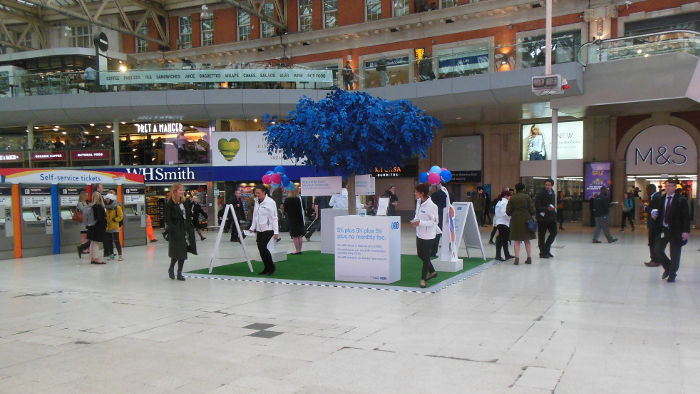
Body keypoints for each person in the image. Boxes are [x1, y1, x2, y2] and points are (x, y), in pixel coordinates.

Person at [650, 180, 690, 283]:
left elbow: (686, 217)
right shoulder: (662, 199)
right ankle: (668, 267)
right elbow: (657, 210)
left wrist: (686, 231)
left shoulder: (681, 200)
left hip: (677, 231)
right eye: (666, 186)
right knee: (657, 250)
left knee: (675, 253)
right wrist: (653, 213)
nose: (667, 188)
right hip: (664, 229)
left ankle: (672, 274)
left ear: (674, 187)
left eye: (669, 186)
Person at [165, 183, 197, 281]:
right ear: (175, 191)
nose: (182, 192)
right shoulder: (170, 203)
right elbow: (167, 219)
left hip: (185, 229)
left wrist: (189, 226)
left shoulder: (185, 202)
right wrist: (174, 229)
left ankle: (179, 273)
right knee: (177, 252)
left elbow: (187, 216)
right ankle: (171, 268)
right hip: (175, 230)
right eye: (180, 190)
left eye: (182, 190)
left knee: (183, 251)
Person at [412, 184, 439, 288]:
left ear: (422, 193)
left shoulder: (432, 206)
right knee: (420, 255)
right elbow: (417, 214)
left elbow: (434, 222)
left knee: (426, 257)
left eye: (416, 191)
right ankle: (432, 271)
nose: (415, 193)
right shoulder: (419, 202)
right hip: (419, 233)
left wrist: (420, 223)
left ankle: (423, 279)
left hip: (429, 235)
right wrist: (415, 221)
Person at [250, 185, 279, 275]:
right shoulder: (256, 202)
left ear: (264, 192)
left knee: (263, 247)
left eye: (258, 193)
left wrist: (276, 231)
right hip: (259, 229)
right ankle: (266, 267)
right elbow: (255, 216)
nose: (257, 195)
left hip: (268, 228)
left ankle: (272, 267)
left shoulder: (270, 202)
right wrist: (252, 228)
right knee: (260, 248)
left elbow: (274, 218)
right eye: (256, 193)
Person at [506, 183, 535, 265]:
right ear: (524, 189)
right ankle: (529, 258)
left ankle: (517, 259)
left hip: (516, 220)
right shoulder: (527, 197)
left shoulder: (512, 198)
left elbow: (508, 212)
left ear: (515, 189)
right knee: (527, 240)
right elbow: (533, 210)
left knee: (516, 240)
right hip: (527, 219)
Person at [429, 184, 455, 257]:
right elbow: (453, 205)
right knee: (448, 235)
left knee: (436, 234)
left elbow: (431, 206)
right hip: (448, 217)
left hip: (438, 216)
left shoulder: (434, 195)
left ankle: (433, 252)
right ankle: (449, 251)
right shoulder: (451, 195)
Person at [535, 179, 558, 258]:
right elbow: (537, 206)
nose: (547, 186)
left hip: (551, 217)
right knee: (541, 235)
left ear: (552, 185)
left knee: (554, 232)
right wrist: (546, 209)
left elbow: (553, 203)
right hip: (542, 218)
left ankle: (546, 249)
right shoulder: (540, 193)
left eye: (549, 185)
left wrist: (552, 209)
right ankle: (542, 252)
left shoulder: (553, 193)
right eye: (546, 185)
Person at [643, 184, 662, 267]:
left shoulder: (656, 197)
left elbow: (655, 211)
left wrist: (646, 208)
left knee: (653, 242)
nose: (647, 192)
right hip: (653, 224)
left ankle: (655, 260)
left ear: (651, 189)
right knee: (652, 242)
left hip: (654, 225)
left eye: (647, 190)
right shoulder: (654, 197)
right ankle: (654, 259)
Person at [87, 191, 107, 264]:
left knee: (92, 242)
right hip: (98, 227)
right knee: (96, 243)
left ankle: (92, 258)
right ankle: (96, 258)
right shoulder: (99, 206)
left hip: (91, 226)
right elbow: (100, 218)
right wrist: (104, 225)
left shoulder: (91, 206)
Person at [283, 188, 305, 255]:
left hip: (292, 219)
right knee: (300, 235)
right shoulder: (298, 199)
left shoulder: (287, 200)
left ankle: (297, 250)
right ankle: (300, 249)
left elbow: (285, 209)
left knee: (295, 235)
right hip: (300, 218)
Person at [493, 191, 513, 261]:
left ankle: (506, 254)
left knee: (504, 239)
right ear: (506, 196)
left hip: (499, 222)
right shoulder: (505, 202)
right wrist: (510, 217)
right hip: (504, 222)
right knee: (501, 240)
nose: (510, 197)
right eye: (510, 196)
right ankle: (498, 256)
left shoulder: (499, 202)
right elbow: (504, 213)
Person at [103, 193, 124, 261]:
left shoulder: (116, 206)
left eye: (107, 198)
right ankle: (111, 255)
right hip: (108, 227)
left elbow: (121, 216)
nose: (106, 200)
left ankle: (120, 255)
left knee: (116, 241)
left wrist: (114, 220)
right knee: (109, 242)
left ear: (111, 199)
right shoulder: (106, 206)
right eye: (106, 198)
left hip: (115, 226)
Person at [76, 191, 90, 259]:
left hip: (87, 221)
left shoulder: (87, 203)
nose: (87, 197)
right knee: (83, 236)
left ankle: (86, 248)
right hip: (82, 222)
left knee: (87, 235)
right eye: (86, 195)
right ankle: (83, 249)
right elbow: (83, 210)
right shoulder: (80, 203)